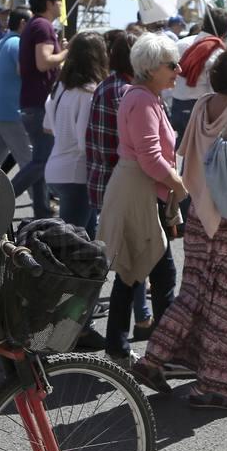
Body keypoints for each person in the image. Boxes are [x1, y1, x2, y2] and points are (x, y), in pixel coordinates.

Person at [129, 44, 227, 409]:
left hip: (201, 216)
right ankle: (219, 385)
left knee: (195, 293)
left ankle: (155, 358)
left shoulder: (203, 104)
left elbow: (189, 150)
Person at [97, 33, 184, 366]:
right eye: (171, 65)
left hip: (139, 188)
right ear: (150, 68)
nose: (178, 70)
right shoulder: (143, 99)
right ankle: (163, 353)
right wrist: (178, 184)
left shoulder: (145, 96)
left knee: (134, 270)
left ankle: (119, 347)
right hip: (139, 189)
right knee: (159, 273)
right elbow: (150, 157)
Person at [86, 33, 155, 336]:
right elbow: (130, 148)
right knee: (130, 256)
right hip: (120, 182)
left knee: (127, 254)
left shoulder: (107, 84)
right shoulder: (127, 91)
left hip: (102, 179)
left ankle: (141, 317)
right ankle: (138, 321)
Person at [13, 0, 68, 219]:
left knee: (40, 161)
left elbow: (22, 67)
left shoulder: (34, 27)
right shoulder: (43, 26)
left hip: (31, 103)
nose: (60, 4)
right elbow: (44, 62)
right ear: (48, 3)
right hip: (39, 105)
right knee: (42, 161)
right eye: (57, 0)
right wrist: (68, 51)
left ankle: (42, 212)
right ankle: (0, 198)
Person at [45, 32, 105, 235]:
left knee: (86, 239)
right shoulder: (89, 92)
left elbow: (48, 126)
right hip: (76, 175)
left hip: (55, 168)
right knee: (72, 246)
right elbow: (84, 142)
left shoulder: (60, 86)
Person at [170, 8, 227, 142]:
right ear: (226, 31)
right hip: (199, 109)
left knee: (182, 147)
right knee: (199, 153)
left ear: (203, 24)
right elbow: (215, 89)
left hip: (176, 105)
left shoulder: (180, 44)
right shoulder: (218, 53)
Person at [0, 7, 32, 169]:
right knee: (29, 162)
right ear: (23, 23)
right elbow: (24, 71)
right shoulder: (18, 44)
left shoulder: (2, 43)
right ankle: (40, 195)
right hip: (12, 113)